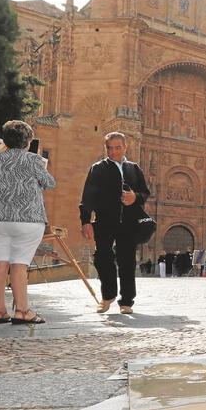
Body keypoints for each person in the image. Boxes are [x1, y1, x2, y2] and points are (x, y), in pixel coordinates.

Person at [0, 120, 55, 324]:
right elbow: (50, 183)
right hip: (27, 220)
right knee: (19, 264)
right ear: (28, 140)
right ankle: (22, 311)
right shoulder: (33, 159)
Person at [80, 132, 150, 314]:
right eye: (109, 148)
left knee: (127, 261)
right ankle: (107, 296)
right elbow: (87, 197)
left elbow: (145, 193)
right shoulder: (98, 168)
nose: (113, 152)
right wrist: (85, 221)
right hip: (104, 221)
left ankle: (126, 301)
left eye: (117, 148)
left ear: (125, 147)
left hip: (129, 223)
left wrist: (135, 197)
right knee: (102, 258)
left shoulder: (134, 169)